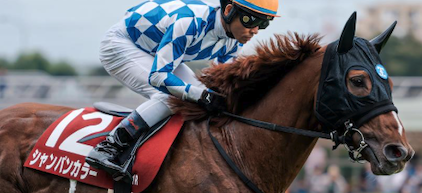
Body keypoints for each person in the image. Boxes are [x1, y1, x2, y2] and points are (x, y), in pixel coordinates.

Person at [86, 0, 279, 178]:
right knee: (171, 96)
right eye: (251, 21)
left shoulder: (234, 38)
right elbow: (158, 76)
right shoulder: (189, 23)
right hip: (121, 44)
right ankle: (108, 147)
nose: (255, 30)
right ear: (229, 11)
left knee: (198, 92)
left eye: (263, 24)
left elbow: (223, 84)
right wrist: (201, 95)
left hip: (154, 48)